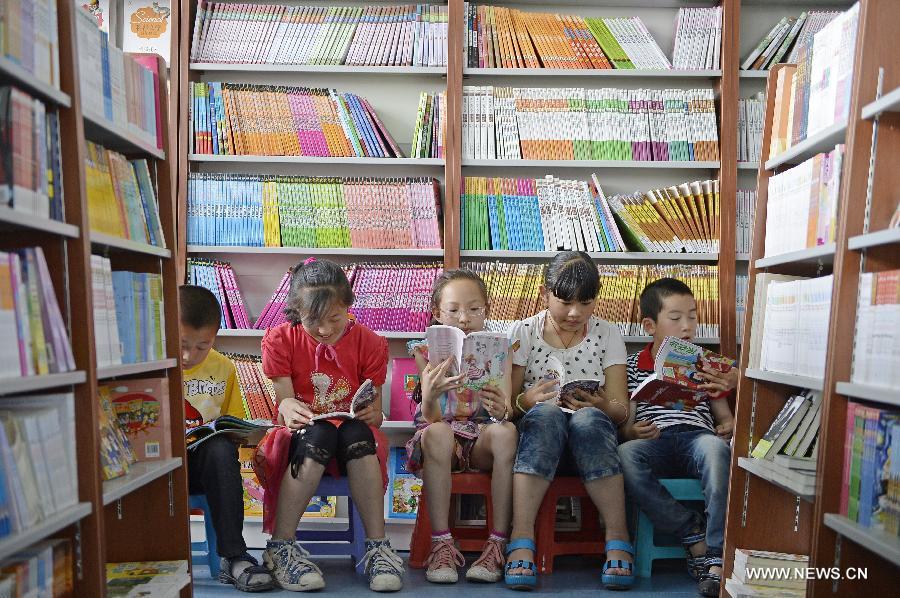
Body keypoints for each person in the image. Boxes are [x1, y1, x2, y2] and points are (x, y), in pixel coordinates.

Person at [258, 257, 403, 592]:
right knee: (320, 432)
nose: (324, 330)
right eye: (313, 321)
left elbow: (376, 413)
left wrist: (373, 414)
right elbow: (284, 409)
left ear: (348, 306)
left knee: (355, 430)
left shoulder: (370, 342)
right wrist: (289, 405)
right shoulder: (281, 340)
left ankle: (377, 547)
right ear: (296, 312)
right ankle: (281, 548)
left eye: (334, 318)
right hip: (304, 439)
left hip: (353, 438)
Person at [504, 251, 635, 591]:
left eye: (587, 302)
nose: (576, 313)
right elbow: (507, 408)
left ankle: (618, 537)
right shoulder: (524, 331)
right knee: (546, 414)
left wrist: (602, 404)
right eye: (564, 302)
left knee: (588, 419)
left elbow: (621, 410)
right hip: (537, 444)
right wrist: (527, 400)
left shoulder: (607, 333)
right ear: (544, 293)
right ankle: (521, 538)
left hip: (592, 445)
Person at [618, 277, 737, 597]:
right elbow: (627, 423)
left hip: (698, 437)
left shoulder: (704, 363)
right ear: (649, 325)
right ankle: (690, 530)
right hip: (655, 440)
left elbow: (724, 418)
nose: (687, 326)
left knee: (716, 450)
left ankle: (715, 553)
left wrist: (727, 426)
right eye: (675, 318)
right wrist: (631, 431)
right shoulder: (632, 366)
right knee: (626, 454)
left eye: (693, 316)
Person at [406, 269, 517, 584]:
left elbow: (506, 410)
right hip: (441, 439)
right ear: (437, 313)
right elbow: (430, 419)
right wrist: (431, 395)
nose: (464, 317)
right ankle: (441, 543)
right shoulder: (424, 351)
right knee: (438, 432)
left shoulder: (501, 350)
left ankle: (497, 543)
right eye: (453, 310)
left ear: (486, 310)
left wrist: (501, 408)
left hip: (481, 438)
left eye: (474, 309)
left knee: (507, 432)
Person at [179, 285, 275, 592]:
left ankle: (235, 556)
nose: (187, 356)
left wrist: (235, 433)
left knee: (220, 448)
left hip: (204, 469)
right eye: (181, 344)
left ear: (215, 338)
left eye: (201, 347)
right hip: (160, 468)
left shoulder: (223, 367)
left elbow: (230, 428)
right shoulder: (150, 362)